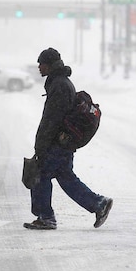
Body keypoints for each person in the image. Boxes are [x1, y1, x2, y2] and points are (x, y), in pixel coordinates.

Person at [24, 47, 113, 230]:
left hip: (58, 142)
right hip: (63, 141)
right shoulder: (60, 83)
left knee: (41, 174)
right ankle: (98, 204)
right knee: (66, 177)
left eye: (41, 64)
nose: (39, 67)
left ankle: (46, 217)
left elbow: (52, 119)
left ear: (49, 65)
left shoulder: (59, 86)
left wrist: (41, 145)